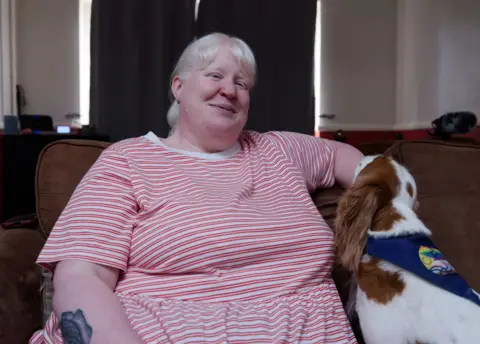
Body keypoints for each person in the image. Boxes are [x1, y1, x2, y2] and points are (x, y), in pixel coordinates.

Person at [30, 32, 364, 344]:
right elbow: (80, 276)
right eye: (214, 76)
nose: (229, 90)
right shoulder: (128, 160)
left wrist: (390, 205)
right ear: (178, 87)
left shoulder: (279, 150)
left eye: (241, 83)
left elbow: (348, 160)